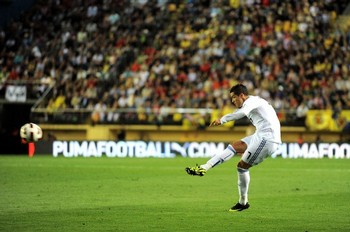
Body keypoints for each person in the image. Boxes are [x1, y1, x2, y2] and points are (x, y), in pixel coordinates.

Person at [185, 84, 282, 212]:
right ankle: (204, 168)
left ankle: (243, 203)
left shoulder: (251, 102)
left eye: (234, 97)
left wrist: (222, 120)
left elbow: (241, 113)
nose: (232, 101)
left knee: (242, 166)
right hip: (260, 134)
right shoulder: (254, 101)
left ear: (242, 95)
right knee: (233, 146)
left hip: (268, 139)